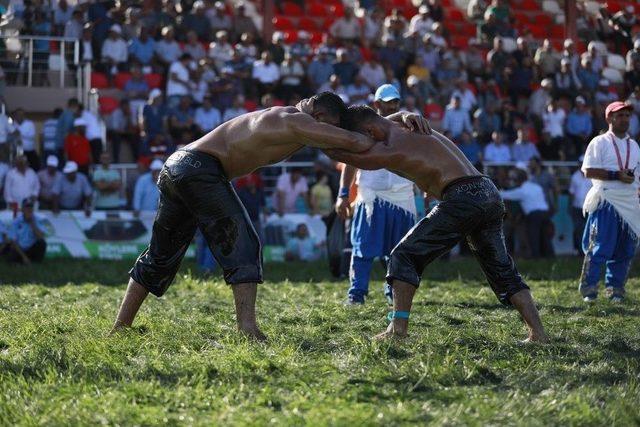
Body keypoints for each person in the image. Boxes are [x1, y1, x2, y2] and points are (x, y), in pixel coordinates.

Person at [110, 92, 416, 341]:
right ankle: (247, 330)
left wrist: (392, 120)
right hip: (199, 169)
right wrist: (395, 130)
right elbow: (353, 141)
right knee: (244, 244)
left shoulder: (286, 120)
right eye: (330, 127)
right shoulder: (294, 120)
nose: (329, 133)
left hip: (178, 166)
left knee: (160, 255)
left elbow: (342, 141)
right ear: (321, 118)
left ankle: (121, 327)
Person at [326, 105, 548, 342]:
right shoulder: (407, 124)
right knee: (502, 269)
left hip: (462, 196)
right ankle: (539, 334)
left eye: (362, 137)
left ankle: (398, 330)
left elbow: (351, 156)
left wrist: (311, 135)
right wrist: (402, 113)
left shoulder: (393, 146)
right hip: (487, 191)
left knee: (404, 255)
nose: (364, 143)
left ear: (369, 131)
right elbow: (381, 122)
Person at [336, 84, 417, 305]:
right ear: (376, 104)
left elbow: (418, 160)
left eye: (395, 102)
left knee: (400, 251)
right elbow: (349, 164)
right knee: (363, 248)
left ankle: (394, 293)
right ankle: (357, 294)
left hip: (403, 198)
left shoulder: (408, 128)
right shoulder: (361, 131)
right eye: (388, 101)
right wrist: (343, 194)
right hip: (370, 196)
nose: (392, 105)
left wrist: (426, 186)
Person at [579, 102, 640, 303]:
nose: (624, 119)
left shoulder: (634, 145)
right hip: (607, 199)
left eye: (627, 115)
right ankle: (589, 290)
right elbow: (588, 170)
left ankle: (615, 290)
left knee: (625, 249)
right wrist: (616, 175)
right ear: (609, 118)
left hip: (630, 203)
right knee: (599, 247)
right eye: (620, 115)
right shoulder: (599, 142)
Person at [500, 168, 554, 259]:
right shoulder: (537, 187)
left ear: (518, 180)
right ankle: (550, 256)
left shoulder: (522, 191)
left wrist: (499, 190)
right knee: (545, 236)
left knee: (533, 237)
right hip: (545, 213)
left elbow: (504, 195)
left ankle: (536, 257)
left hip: (534, 215)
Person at [5, 199, 47, 264]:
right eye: (27, 207)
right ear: (22, 209)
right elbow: (13, 241)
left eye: (31, 207)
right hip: (20, 249)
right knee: (12, 252)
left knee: (42, 243)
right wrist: (24, 257)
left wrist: (32, 223)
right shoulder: (16, 221)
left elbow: (40, 236)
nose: (29, 209)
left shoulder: (38, 219)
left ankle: (34, 262)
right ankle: (25, 260)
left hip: (31, 248)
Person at [569, 156, 592, 255]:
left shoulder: (593, 176)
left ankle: (589, 250)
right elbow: (571, 193)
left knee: (590, 229)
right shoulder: (575, 176)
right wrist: (570, 206)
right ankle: (580, 251)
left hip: (590, 207)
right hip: (577, 207)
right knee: (578, 229)